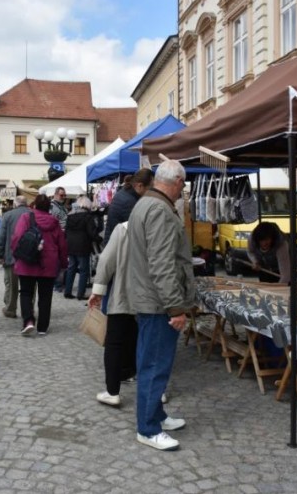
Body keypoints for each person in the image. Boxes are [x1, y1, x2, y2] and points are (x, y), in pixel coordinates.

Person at [127, 160, 194, 451]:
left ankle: (155, 415)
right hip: (157, 303)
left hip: (149, 298)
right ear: (177, 181)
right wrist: (175, 308)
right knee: (155, 365)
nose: (183, 190)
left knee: (151, 362)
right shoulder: (159, 210)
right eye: (183, 185)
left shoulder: (146, 203)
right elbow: (162, 264)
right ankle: (148, 428)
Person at [88, 220, 137, 407]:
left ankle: (112, 391)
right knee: (147, 342)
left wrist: (98, 291)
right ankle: (156, 391)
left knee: (114, 342)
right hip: (152, 298)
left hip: (124, 294)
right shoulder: (164, 225)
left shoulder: (124, 228)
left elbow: (106, 260)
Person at [11, 194, 67, 336]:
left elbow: (17, 236)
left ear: (34, 205)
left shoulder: (26, 218)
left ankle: (28, 321)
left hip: (27, 261)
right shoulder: (54, 222)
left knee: (25, 293)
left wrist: (16, 253)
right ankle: (43, 327)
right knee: (45, 295)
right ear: (49, 207)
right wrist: (64, 262)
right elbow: (62, 244)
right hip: (48, 262)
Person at [0, 195, 29, 319]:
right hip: (30, 257)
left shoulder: (8, 216)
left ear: (15, 204)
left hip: (11, 256)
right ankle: (28, 310)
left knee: (11, 284)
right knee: (29, 285)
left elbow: (1, 236)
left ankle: (10, 309)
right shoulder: (33, 214)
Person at [103, 168, 153, 247]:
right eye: (150, 187)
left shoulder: (125, 192)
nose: (151, 191)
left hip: (113, 243)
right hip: (118, 248)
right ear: (140, 186)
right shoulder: (129, 201)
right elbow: (135, 232)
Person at [63, 196, 97, 300]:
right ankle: (80, 294)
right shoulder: (88, 217)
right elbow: (92, 233)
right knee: (83, 270)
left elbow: (66, 231)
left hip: (71, 245)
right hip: (83, 246)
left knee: (71, 268)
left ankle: (67, 291)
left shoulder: (70, 216)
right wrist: (99, 239)